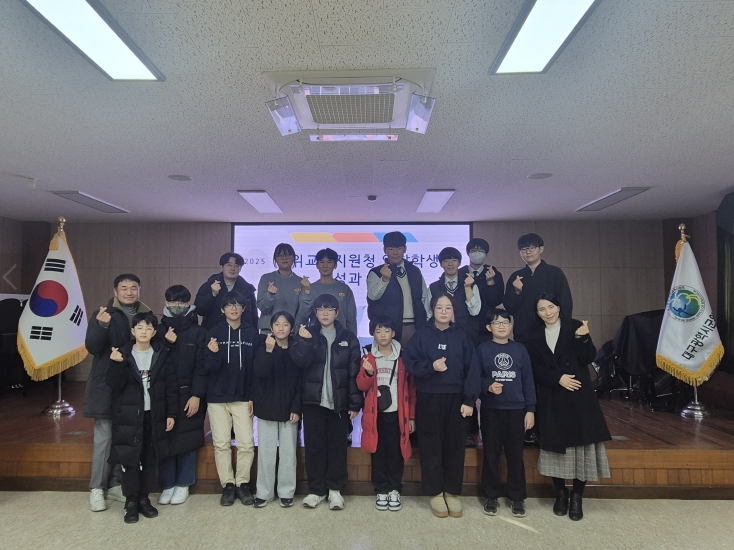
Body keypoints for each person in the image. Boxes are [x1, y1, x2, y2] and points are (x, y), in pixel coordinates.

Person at [526, 293, 611, 521]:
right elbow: (534, 369)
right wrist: (557, 378)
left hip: (578, 395)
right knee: (555, 448)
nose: (548, 312)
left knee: (581, 446)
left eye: (551, 307)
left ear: (559, 307)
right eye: (542, 309)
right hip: (552, 395)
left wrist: (583, 338)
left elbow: (588, 357)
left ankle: (577, 497)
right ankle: (561, 494)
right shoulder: (533, 335)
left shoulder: (574, 326)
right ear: (537, 313)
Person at [403, 293, 480, 518]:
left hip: (457, 400)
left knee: (454, 446)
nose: (444, 311)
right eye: (439, 307)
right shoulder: (422, 335)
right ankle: (435, 492)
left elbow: (472, 369)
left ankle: (452, 492)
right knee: (431, 447)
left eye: (448, 308)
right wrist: (430, 367)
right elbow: (410, 362)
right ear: (432, 310)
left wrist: (469, 400)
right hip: (429, 398)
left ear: (453, 311)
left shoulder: (462, 336)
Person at [84, 273, 151, 512]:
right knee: (104, 439)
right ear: (115, 292)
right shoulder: (103, 314)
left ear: (139, 290)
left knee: (125, 438)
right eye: (124, 288)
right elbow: (92, 346)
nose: (129, 292)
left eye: (134, 287)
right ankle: (96, 488)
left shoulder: (147, 316)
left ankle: (115, 485)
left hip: (132, 389)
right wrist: (101, 326)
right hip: (106, 387)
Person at [291, 294, 362, 510]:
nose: (325, 313)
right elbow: (299, 363)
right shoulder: (308, 334)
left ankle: (335, 490)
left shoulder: (348, 337)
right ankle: (316, 490)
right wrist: (304, 342)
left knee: (337, 447)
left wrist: (354, 403)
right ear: (315, 313)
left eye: (329, 309)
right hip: (313, 400)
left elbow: (353, 372)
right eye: (321, 309)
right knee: (314, 447)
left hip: (338, 402)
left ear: (337, 313)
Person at [106, 312, 177, 524]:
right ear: (133, 331)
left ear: (154, 332)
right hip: (128, 417)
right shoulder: (122, 354)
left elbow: (170, 386)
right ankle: (131, 501)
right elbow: (114, 385)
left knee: (149, 458)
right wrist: (116, 365)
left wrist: (171, 413)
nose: (144, 332)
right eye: (139, 328)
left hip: (153, 415)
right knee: (130, 459)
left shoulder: (161, 353)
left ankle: (144, 498)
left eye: (148, 328)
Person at [477, 308, 536, 518]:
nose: (501, 326)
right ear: (489, 327)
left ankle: (517, 497)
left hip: (516, 409)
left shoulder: (520, 349)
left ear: (511, 326)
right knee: (491, 453)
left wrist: (530, 409)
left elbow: (528, 380)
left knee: (515, 454)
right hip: (491, 409)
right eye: (496, 323)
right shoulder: (482, 349)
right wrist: (487, 387)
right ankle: (491, 495)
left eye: (505, 322)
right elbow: (475, 378)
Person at [205, 291, 260, 507]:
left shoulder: (252, 333)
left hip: (243, 396)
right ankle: (227, 485)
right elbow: (208, 367)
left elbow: (255, 369)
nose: (234, 308)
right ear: (222, 309)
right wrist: (213, 353)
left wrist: (253, 396)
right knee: (221, 444)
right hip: (217, 397)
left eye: (238, 304)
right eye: (229, 305)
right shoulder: (214, 332)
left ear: (244, 308)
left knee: (246, 443)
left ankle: (242, 484)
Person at [357, 315, 416, 512]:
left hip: (398, 413)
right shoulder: (368, 357)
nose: (382, 335)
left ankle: (394, 489)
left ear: (393, 333)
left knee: (396, 451)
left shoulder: (403, 357)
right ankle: (381, 489)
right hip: (376, 415)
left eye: (386, 331)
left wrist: (412, 417)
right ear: (373, 334)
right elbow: (361, 385)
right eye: (378, 331)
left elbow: (411, 389)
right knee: (378, 452)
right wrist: (368, 373)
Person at [157, 285, 208, 506]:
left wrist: (197, 394)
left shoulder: (199, 332)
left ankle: (184, 483)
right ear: (166, 303)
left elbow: (202, 367)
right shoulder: (158, 330)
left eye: (181, 302)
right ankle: (167, 484)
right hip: (164, 393)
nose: (177, 306)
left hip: (190, 393)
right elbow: (154, 361)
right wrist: (166, 345)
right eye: (172, 302)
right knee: (165, 438)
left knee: (188, 437)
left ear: (189, 303)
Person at [252, 311, 302, 508]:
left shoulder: (296, 349)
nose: (281, 328)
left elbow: (301, 382)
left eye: (285, 324)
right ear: (271, 327)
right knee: (266, 453)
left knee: (288, 453)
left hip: (290, 409)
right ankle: (264, 493)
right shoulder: (263, 345)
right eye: (277, 324)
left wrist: (297, 407)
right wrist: (268, 350)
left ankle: (286, 492)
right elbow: (259, 373)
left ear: (292, 328)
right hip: (266, 407)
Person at [503, 233, 572, 344]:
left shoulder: (555, 273)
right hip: (524, 333)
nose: (528, 252)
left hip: (550, 331)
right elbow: (510, 308)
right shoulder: (516, 276)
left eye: (532, 248)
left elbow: (565, 302)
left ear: (541, 249)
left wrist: (564, 328)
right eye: (523, 249)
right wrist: (517, 292)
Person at [367, 231, 430, 345]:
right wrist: (384, 280)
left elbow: (424, 297)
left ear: (405, 249)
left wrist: (427, 322)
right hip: (387, 328)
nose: (395, 253)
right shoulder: (376, 272)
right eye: (391, 249)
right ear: (385, 250)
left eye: (399, 248)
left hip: (414, 326)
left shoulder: (414, 271)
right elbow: (372, 296)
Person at [427, 247, 482, 346]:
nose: (450, 264)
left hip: (467, 334)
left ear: (459, 263)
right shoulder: (433, 287)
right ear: (441, 264)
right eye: (446, 261)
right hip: (440, 335)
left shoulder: (471, 284)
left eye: (454, 260)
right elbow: (429, 314)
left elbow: (474, 312)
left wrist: (467, 288)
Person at [256, 243, 313, 334]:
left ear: (294, 258)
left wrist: (307, 291)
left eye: (288, 255)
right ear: (275, 259)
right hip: (269, 333)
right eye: (280, 255)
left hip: (292, 333)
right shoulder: (266, 278)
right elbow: (263, 308)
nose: (284, 258)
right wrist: (270, 295)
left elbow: (304, 313)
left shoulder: (301, 282)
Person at [299, 248, 357, 335]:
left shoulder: (344, 289)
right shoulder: (309, 288)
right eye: (321, 262)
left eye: (329, 262)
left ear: (335, 265)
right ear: (317, 265)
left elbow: (351, 318)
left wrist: (352, 339)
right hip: (316, 337)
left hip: (340, 337)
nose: (325, 265)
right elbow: (303, 315)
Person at [195, 252, 258, 331]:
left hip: (241, 333)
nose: (232, 268)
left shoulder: (247, 289)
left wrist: (254, 333)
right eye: (229, 265)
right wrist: (212, 295)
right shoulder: (209, 285)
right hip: (213, 331)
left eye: (236, 266)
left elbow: (253, 315)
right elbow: (199, 310)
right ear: (222, 267)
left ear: (240, 268)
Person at [459, 237, 505, 343]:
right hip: (464, 325)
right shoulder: (460, 274)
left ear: (486, 254)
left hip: (487, 326)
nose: (477, 253)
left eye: (481, 251)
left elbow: (497, 301)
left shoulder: (494, 273)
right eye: (473, 250)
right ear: (468, 253)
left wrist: (490, 283)